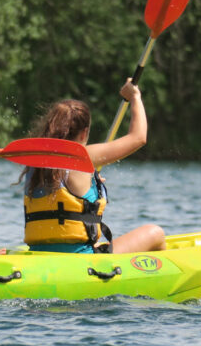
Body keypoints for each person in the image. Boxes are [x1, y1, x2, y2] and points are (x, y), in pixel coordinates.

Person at [21, 79, 166, 254]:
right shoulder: (80, 157)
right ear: (84, 133)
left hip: (39, 256)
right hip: (79, 260)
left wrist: (91, 183)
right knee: (155, 233)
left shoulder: (35, 163)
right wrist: (135, 96)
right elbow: (138, 137)